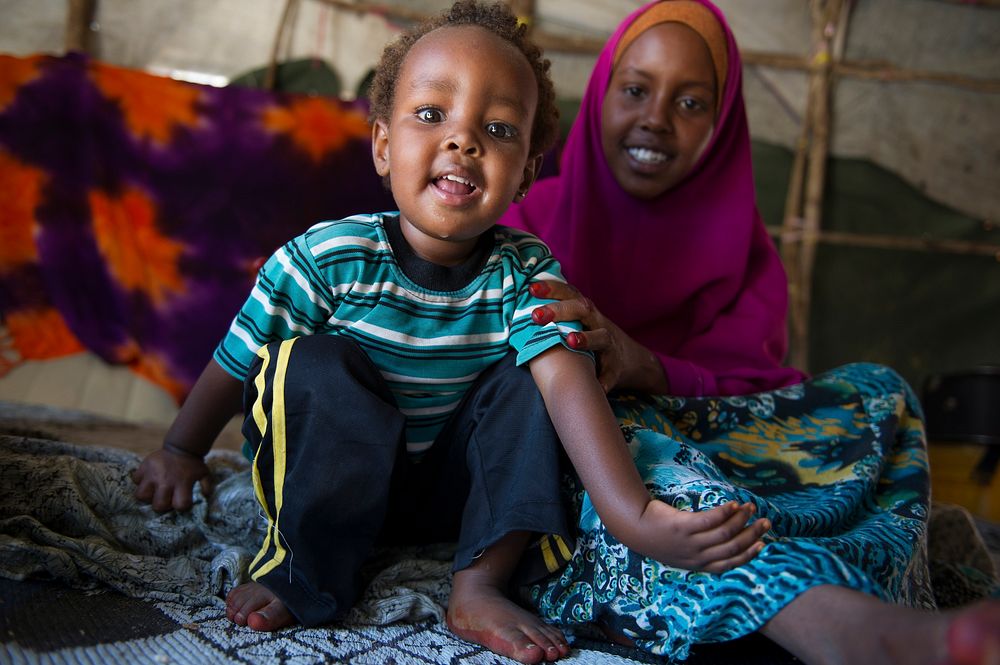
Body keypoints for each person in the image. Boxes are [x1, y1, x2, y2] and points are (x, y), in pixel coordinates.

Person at [132, 2, 772, 663]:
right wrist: (182, 449)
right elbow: (235, 362)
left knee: (543, 370)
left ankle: (480, 583)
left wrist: (632, 516)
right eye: (433, 114)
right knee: (311, 363)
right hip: (331, 479)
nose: (463, 141)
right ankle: (304, 568)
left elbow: (569, 391)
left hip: (448, 500)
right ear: (383, 144)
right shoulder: (325, 258)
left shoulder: (526, 271)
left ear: (526, 171)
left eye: (497, 128)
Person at [499, 1, 1000, 664]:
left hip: (723, 433)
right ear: (600, 94)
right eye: (635, 90)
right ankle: (853, 629)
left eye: (691, 102)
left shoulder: (745, 251)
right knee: (642, 456)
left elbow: (752, 385)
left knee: (881, 393)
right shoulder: (531, 219)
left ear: (722, 122)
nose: (655, 118)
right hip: (612, 466)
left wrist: (647, 362)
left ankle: (865, 579)